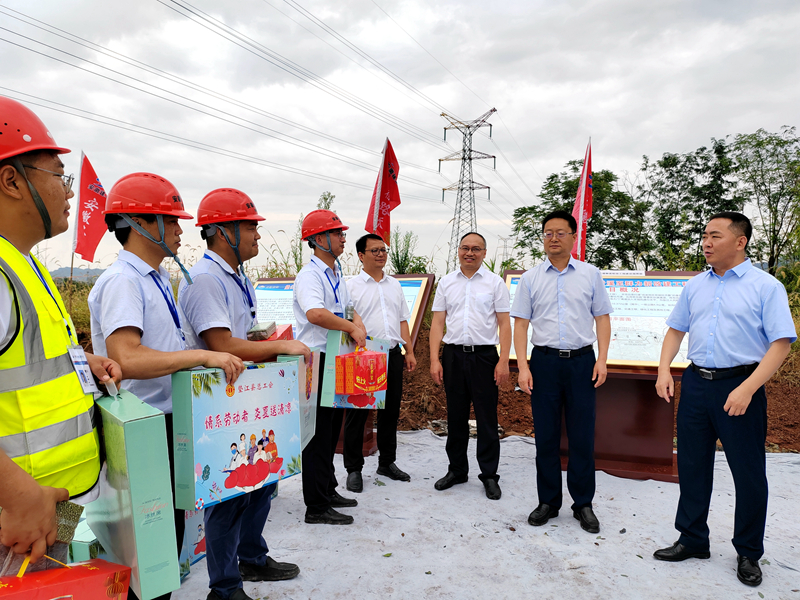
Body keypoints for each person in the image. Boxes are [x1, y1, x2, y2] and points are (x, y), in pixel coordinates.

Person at [88, 172, 245, 600]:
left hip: (164, 421)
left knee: (164, 542)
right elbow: (126, 357)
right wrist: (202, 356)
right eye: (171, 220)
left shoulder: (154, 277)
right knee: (148, 551)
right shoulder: (124, 281)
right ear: (140, 224)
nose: (179, 230)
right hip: (143, 430)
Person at [0, 96, 121, 567]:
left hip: (59, 503)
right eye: (58, 176)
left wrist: (82, 364)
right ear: (11, 180)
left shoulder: (23, 263)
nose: (69, 192)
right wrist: (17, 495)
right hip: (19, 518)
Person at [177, 188, 308, 600]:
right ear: (222, 232)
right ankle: (225, 585)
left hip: (244, 396)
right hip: (218, 402)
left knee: (261, 480)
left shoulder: (235, 277)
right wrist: (281, 346)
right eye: (249, 226)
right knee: (229, 494)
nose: (257, 235)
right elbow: (220, 344)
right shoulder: (205, 280)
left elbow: (242, 336)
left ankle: (251, 557)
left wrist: (263, 344)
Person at [653, 212, 796, 588]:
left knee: (748, 473)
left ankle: (748, 552)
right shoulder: (695, 285)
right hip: (696, 384)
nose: (706, 242)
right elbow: (675, 330)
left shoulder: (765, 287)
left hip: (741, 386)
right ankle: (692, 538)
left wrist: (748, 388)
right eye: (704, 235)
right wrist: (665, 370)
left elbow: (780, 344)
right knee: (692, 465)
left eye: (715, 235)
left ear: (740, 241)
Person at [511, 210, 612, 534]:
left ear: (573, 237)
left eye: (560, 233)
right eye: (548, 233)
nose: (553, 238)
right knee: (546, 436)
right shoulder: (530, 278)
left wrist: (602, 359)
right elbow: (521, 325)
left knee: (582, 436)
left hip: (582, 362)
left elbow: (602, 318)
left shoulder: (590, 274)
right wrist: (523, 366)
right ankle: (548, 501)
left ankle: (583, 503)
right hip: (544, 363)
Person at [293, 209, 366, 524]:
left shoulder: (336, 274)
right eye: (337, 233)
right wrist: (350, 328)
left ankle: (328, 489)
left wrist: (357, 323)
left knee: (331, 431)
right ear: (318, 239)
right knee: (318, 435)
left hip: (336, 360)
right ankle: (316, 507)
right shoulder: (309, 276)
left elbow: (348, 308)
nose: (343, 238)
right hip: (317, 362)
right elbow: (316, 314)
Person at [429, 232, 511, 500]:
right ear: (458, 251)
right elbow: (438, 323)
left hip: (484, 357)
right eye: (465, 248)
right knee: (456, 416)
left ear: (484, 253)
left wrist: (503, 360)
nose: (470, 253)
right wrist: (434, 359)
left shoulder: (494, 283)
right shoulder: (447, 283)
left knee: (487, 418)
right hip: (453, 355)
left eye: (476, 249)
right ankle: (457, 470)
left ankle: (489, 475)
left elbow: (504, 324)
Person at [343, 233, 417, 492]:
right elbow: (345, 321)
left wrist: (409, 351)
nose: (380, 254)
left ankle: (387, 462)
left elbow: (402, 320)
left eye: (383, 250)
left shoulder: (394, 285)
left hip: (393, 354)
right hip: (364, 357)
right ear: (361, 256)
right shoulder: (350, 287)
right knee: (358, 413)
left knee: (390, 412)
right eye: (374, 250)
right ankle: (353, 469)